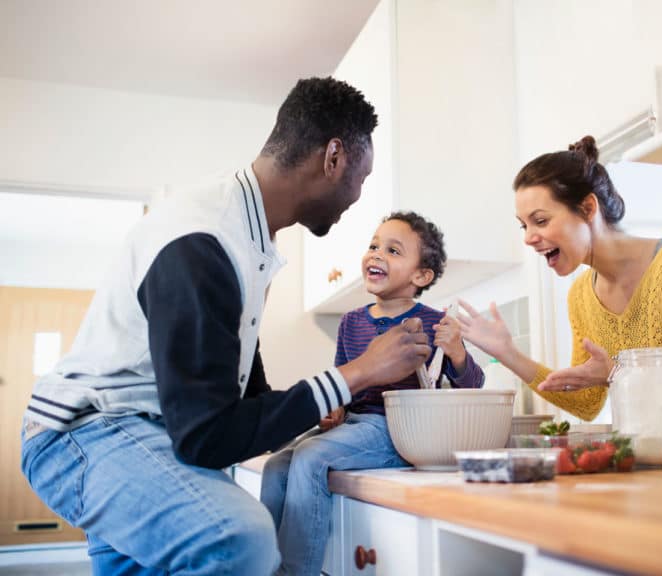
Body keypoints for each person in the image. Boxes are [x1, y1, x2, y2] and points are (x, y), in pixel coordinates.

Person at [19, 77, 433, 576]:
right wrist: (358, 374)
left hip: (142, 434)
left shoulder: (246, 238)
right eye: (361, 179)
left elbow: (239, 401)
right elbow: (207, 437)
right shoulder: (205, 239)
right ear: (333, 158)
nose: (356, 197)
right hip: (84, 432)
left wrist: (316, 411)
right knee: (239, 538)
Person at [260, 210, 484, 576]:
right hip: (355, 428)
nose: (377, 254)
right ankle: (263, 566)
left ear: (421, 275)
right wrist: (335, 411)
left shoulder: (433, 323)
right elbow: (344, 383)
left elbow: (472, 387)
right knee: (275, 465)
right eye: (373, 245)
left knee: (310, 458)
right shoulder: (351, 321)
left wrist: (457, 352)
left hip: (395, 430)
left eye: (393, 250)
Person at [458, 135, 662, 421]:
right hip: (645, 451)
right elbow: (587, 402)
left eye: (541, 220)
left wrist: (618, 374)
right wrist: (508, 354)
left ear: (588, 208)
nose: (529, 238)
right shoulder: (581, 295)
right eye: (524, 225)